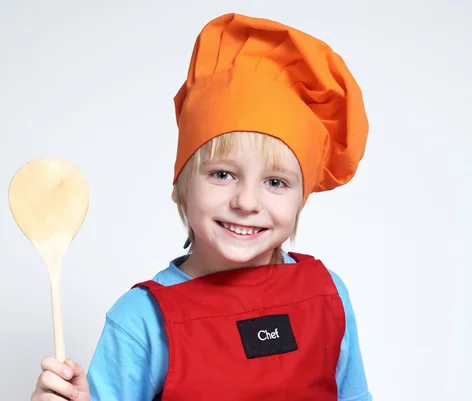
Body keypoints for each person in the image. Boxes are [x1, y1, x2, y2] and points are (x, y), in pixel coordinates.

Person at [31, 12, 372, 401]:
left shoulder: (328, 295)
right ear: (180, 187)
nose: (246, 202)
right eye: (222, 174)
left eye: (275, 182)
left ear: (301, 200)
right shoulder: (141, 320)